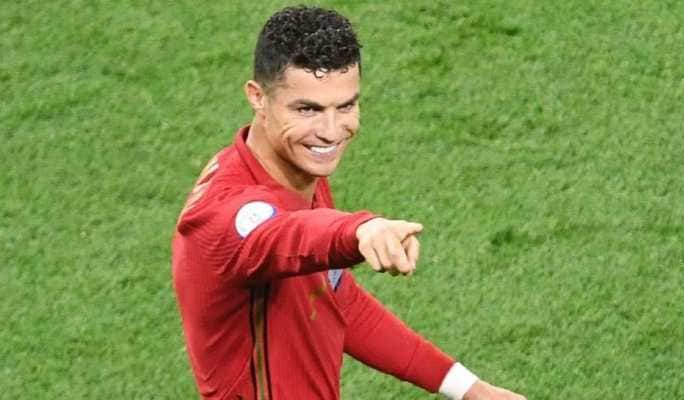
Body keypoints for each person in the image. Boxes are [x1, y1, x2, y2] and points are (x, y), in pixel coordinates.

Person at [172, 6, 527, 400]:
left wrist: (468, 389)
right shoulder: (224, 215)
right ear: (258, 97)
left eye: (345, 106)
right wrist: (360, 229)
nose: (330, 132)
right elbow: (289, 236)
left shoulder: (293, 166)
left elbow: (336, 299)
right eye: (307, 109)